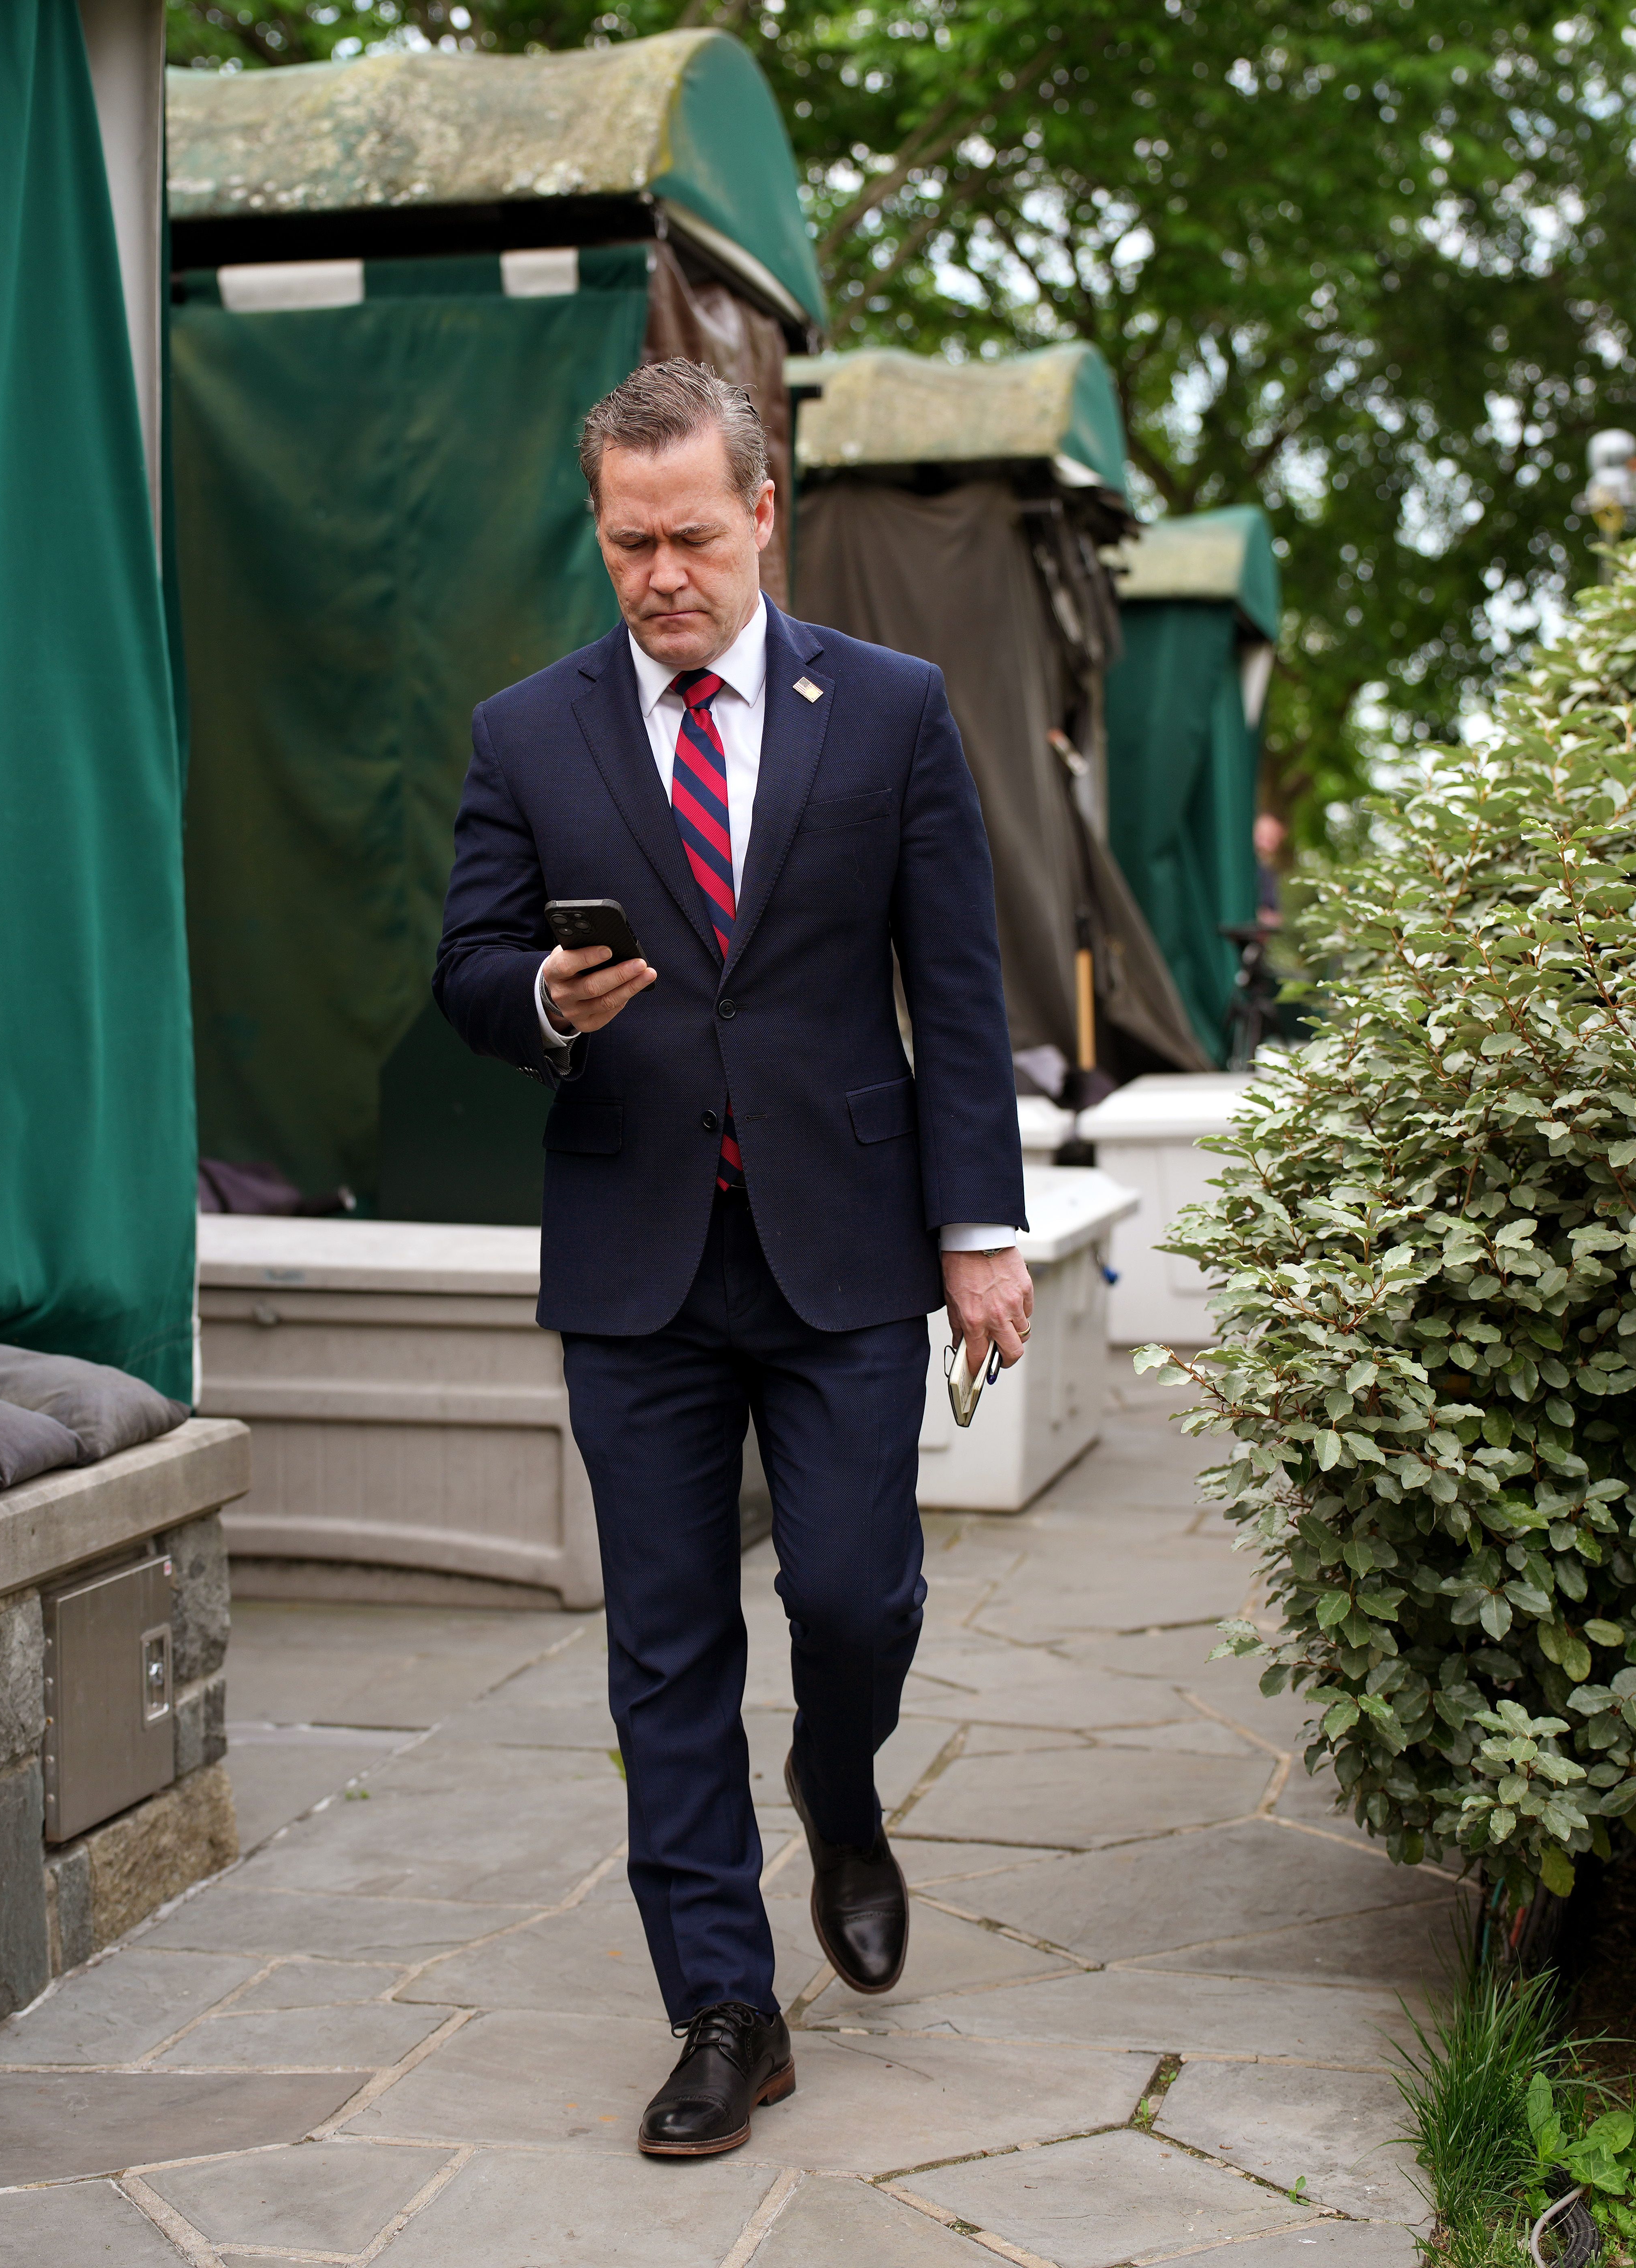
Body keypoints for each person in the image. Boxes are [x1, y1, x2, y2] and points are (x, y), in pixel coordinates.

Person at [433, 360, 1033, 2158]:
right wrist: (542, 996)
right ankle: (721, 2007)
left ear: (762, 513)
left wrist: (979, 1234)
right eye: (629, 543)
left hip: (845, 1248)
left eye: (691, 534)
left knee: (854, 1595)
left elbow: (959, 979)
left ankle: (838, 1790)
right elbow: (464, 968)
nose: (661, 573)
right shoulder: (525, 734)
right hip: (636, 1259)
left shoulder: (896, 710)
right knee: (665, 1649)